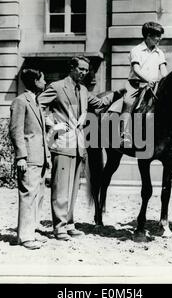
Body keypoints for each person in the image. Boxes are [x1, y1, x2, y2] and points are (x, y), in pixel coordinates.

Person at [38, 56, 125, 241]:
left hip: (78, 144)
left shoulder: (84, 90)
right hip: (61, 143)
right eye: (81, 69)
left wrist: (119, 92)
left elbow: (100, 104)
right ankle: (59, 227)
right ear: (71, 68)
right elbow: (37, 105)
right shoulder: (57, 86)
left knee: (73, 188)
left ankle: (69, 223)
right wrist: (51, 124)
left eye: (87, 70)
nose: (84, 73)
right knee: (61, 187)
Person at [9, 68, 50, 250]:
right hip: (29, 157)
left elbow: (41, 133)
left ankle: (31, 231)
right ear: (35, 81)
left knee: (37, 196)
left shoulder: (36, 101)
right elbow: (15, 130)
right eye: (42, 79)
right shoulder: (20, 101)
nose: (45, 82)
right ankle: (25, 237)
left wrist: (47, 155)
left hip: (39, 157)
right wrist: (21, 157)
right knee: (28, 195)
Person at [120, 21, 168, 146]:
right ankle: (124, 133)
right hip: (136, 84)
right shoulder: (136, 50)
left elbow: (163, 71)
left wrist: (167, 80)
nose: (160, 39)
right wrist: (147, 79)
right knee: (128, 102)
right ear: (148, 36)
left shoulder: (159, 52)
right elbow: (136, 69)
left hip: (154, 85)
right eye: (157, 36)